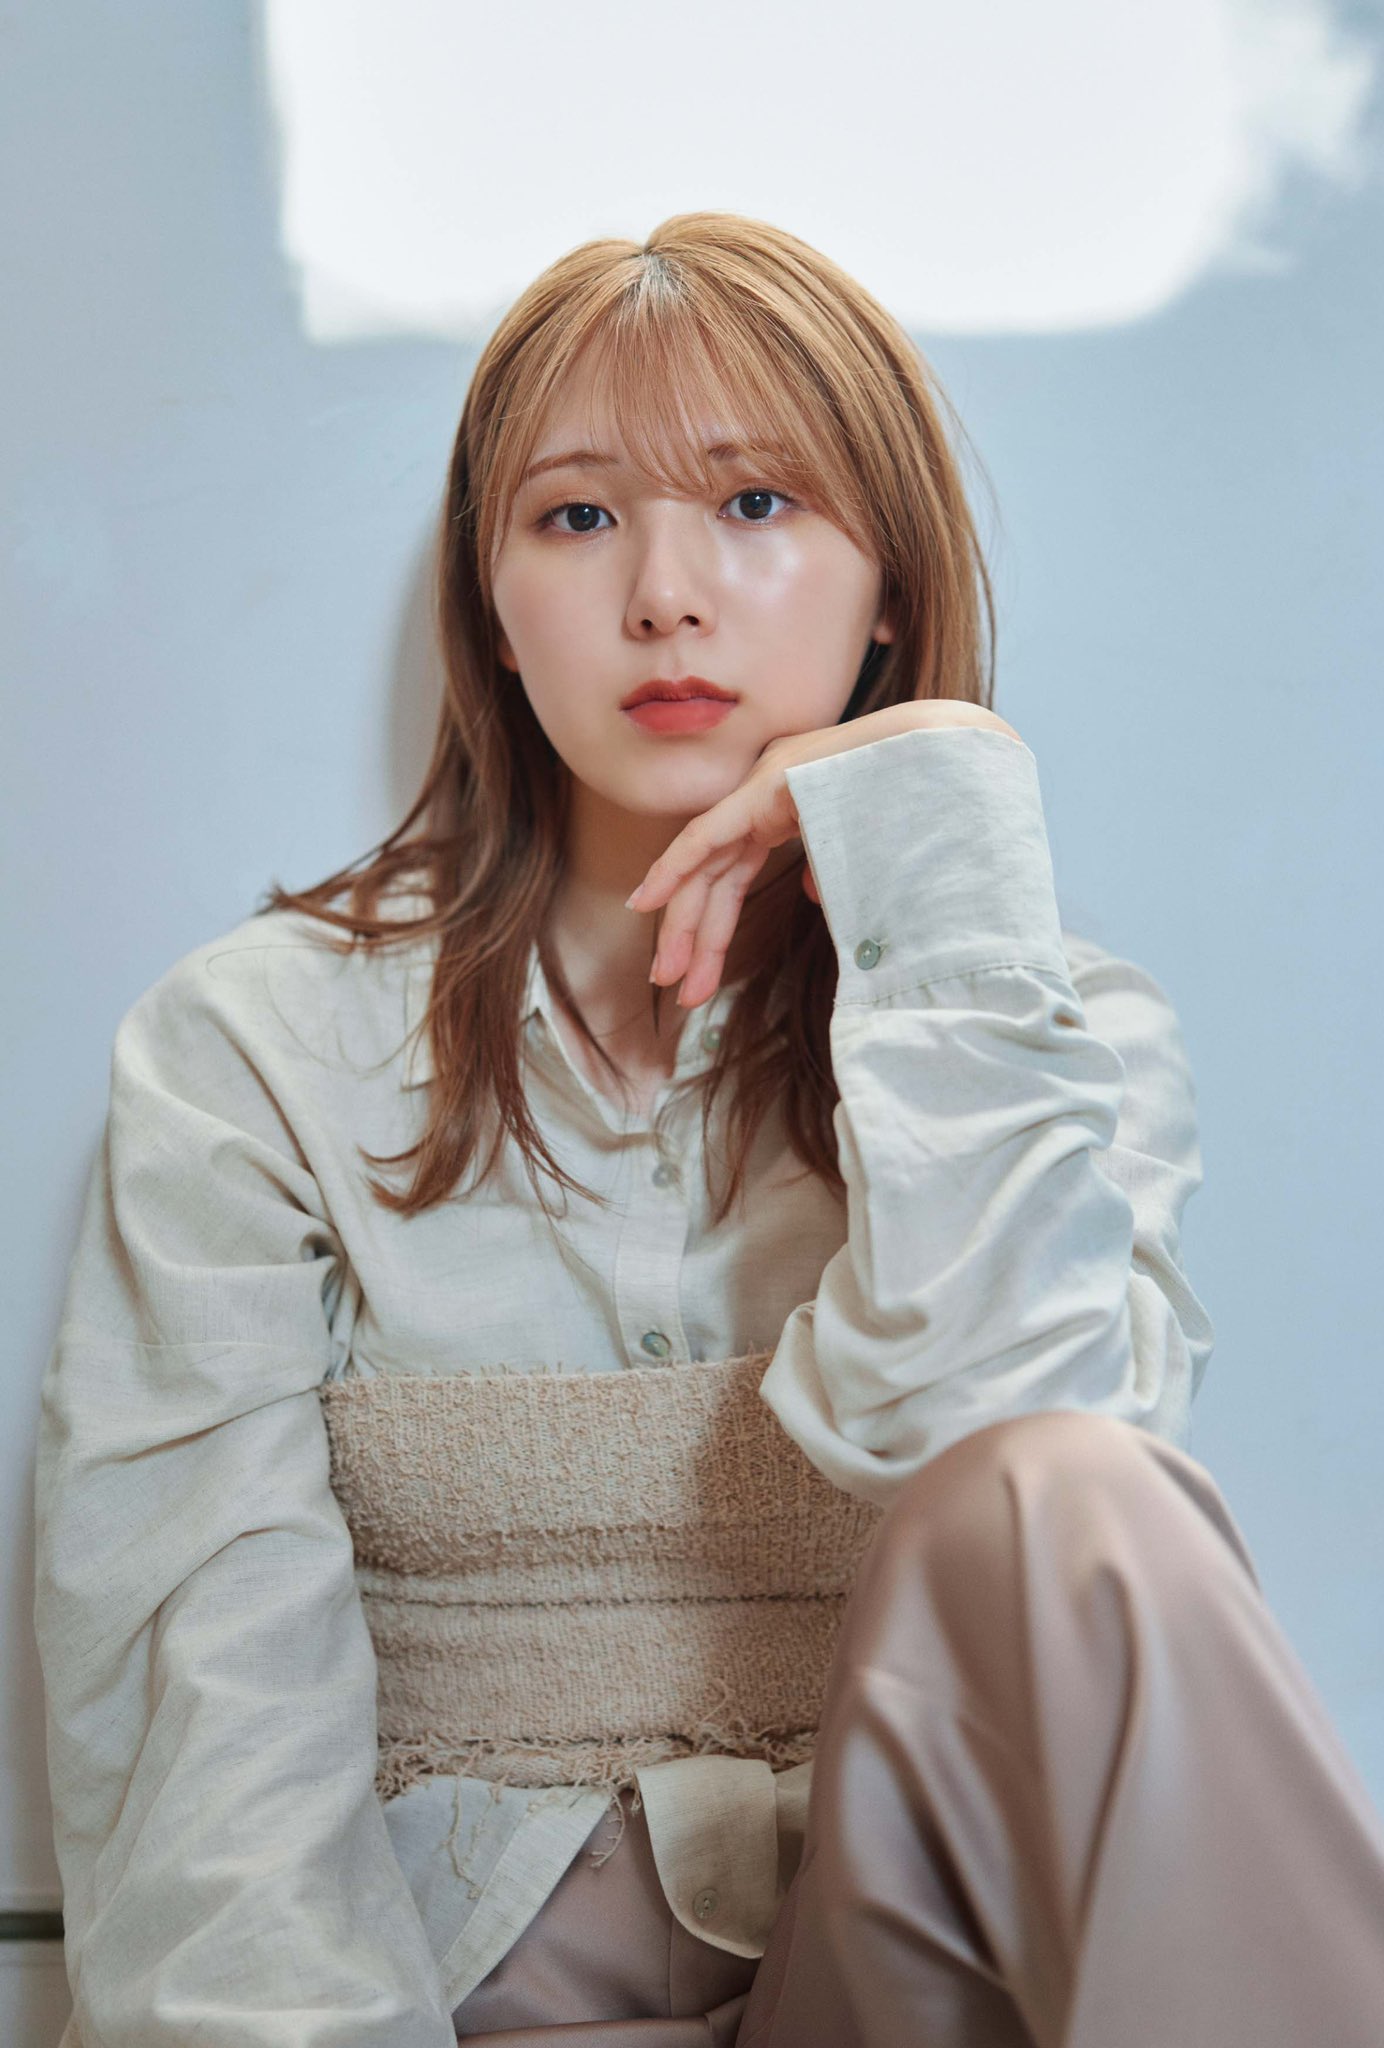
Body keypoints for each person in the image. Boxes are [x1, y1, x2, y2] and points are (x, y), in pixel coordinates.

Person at [32, 212, 1384, 2048]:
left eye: (758, 503)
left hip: (896, 1986)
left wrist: (928, 833)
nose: (666, 595)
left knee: (1076, 1489)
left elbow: (1021, 1477)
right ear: (492, 608)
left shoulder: (1050, 1031)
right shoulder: (251, 1051)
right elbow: (204, 1731)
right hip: (456, 2010)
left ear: (889, 584)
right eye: (578, 516)